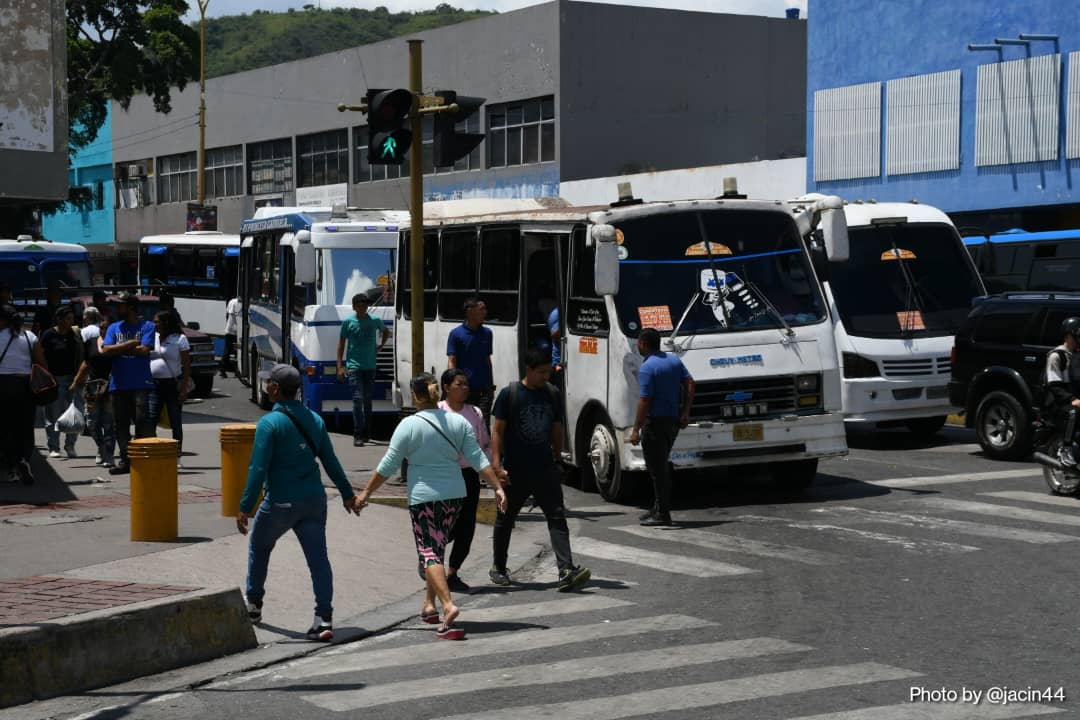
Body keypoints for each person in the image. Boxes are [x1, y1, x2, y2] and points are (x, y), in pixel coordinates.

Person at [355, 373, 507, 640]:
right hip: (455, 495)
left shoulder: (409, 425)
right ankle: (429, 606)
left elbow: (388, 465)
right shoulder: (458, 422)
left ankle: (448, 606)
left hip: (425, 498)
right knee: (436, 549)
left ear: (415, 396)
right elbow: (477, 458)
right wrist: (497, 487)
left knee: (429, 553)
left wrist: (366, 492)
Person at [237, 364, 361, 642]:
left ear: (276, 389)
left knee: (260, 546)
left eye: (269, 382)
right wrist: (347, 494)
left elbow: (258, 469)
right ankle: (324, 618)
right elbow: (330, 461)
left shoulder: (269, 423)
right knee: (319, 560)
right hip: (314, 501)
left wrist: (245, 506)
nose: (267, 386)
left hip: (280, 501)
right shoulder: (315, 420)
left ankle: (254, 605)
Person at [489, 348, 591, 592]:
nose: (546, 376)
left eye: (548, 372)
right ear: (529, 370)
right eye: (542, 372)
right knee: (506, 518)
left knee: (557, 517)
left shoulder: (552, 394)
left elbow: (556, 428)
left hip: (545, 468)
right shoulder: (510, 394)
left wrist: (558, 459)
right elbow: (498, 431)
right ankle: (499, 567)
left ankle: (565, 569)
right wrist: (497, 464)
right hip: (515, 470)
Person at [630, 327, 695, 526]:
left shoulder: (648, 368)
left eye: (639, 343)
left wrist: (636, 429)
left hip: (655, 423)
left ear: (642, 344)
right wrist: (685, 411)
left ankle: (663, 514)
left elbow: (645, 400)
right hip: (672, 421)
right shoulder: (673, 360)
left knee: (657, 470)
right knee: (660, 464)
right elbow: (690, 383)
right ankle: (658, 507)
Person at [437, 368, 492, 593]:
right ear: (446, 387)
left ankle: (453, 573)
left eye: (466, 384)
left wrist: (489, 471)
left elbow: (484, 444)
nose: (465, 388)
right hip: (444, 475)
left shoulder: (475, 413)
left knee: (466, 526)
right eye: (459, 384)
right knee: (444, 524)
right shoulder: (437, 411)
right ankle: (430, 560)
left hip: (468, 475)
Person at [101, 292, 156, 475]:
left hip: (141, 383)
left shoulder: (147, 326)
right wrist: (132, 342)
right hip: (119, 384)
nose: (117, 308)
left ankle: (141, 457)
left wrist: (119, 349)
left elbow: (144, 350)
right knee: (120, 425)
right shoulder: (113, 328)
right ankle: (125, 459)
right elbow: (106, 350)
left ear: (130, 307)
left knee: (142, 422)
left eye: (120, 305)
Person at [0, 304, 46, 484]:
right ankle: (24, 459)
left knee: (5, 428)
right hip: (26, 386)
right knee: (25, 427)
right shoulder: (29, 336)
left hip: (2, 385)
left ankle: (12, 468)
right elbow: (42, 363)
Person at [336, 292, 387, 446]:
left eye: (366, 305)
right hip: (354, 366)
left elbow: (386, 331)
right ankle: (357, 433)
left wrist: (381, 346)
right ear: (354, 307)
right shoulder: (348, 322)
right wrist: (339, 366)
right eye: (360, 305)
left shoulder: (374, 321)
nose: (363, 307)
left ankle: (367, 431)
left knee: (367, 400)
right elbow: (341, 345)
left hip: (370, 366)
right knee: (357, 399)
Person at [72, 313, 115, 468]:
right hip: (92, 387)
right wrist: (76, 381)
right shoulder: (90, 342)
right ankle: (101, 447)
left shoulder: (116, 344)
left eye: (107, 328)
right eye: (101, 328)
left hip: (111, 387)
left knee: (108, 423)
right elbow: (86, 363)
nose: (103, 331)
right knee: (91, 423)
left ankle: (109, 456)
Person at [41, 305, 85, 459]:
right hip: (54, 379)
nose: (70, 321)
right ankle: (54, 446)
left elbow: (83, 356)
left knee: (76, 412)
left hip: (74, 378)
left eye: (72, 318)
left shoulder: (75, 334)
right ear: (59, 319)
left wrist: (79, 378)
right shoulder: (48, 335)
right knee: (54, 414)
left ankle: (70, 444)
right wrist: (47, 376)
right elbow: (40, 356)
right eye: (67, 319)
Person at [148, 310, 191, 462]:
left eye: (156, 321)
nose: (154, 325)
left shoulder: (180, 339)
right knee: (151, 419)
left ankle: (176, 455)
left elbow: (186, 365)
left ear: (166, 323)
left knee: (175, 420)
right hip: (155, 385)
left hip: (172, 384)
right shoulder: (152, 337)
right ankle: (153, 450)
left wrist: (183, 388)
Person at [447, 297, 495, 425]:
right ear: (470, 312)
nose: (485, 312)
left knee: (483, 426)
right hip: (465, 390)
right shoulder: (456, 334)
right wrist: (452, 385)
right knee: (464, 425)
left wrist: (491, 386)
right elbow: (452, 360)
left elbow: (487, 359)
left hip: (484, 391)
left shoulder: (487, 333)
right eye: (481, 309)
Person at [1045, 317, 1080, 468]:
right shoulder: (1057, 356)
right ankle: (1065, 449)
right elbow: (1054, 385)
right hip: (1057, 401)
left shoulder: (1077, 356)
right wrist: (1072, 399)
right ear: (1067, 336)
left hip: (1074, 398)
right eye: (1076, 335)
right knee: (1074, 412)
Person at [221, 296, 241, 378]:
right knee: (237, 352)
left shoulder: (231, 301)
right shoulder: (239, 303)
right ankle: (237, 371)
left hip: (228, 330)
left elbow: (228, 314)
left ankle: (222, 370)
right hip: (236, 332)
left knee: (227, 351)